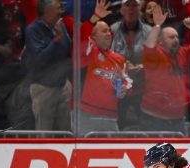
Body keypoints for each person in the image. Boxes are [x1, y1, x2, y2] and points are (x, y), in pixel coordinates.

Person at [140, 6, 190, 133]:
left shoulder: (183, 53)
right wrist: (157, 25)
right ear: (160, 41)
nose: (176, 40)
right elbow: (149, 46)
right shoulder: (155, 54)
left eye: (177, 37)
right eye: (171, 37)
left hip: (179, 120)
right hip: (154, 120)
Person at [78, 0, 132, 136]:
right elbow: (81, 36)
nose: (109, 34)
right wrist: (94, 18)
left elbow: (127, 82)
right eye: (104, 31)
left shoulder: (119, 59)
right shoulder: (90, 53)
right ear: (94, 36)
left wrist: (125, 89)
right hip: (88, 115)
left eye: (109, 31)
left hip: (110, 117)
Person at [24, 0, 72, 131]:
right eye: (58, 8)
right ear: (47, 11)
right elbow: (40, 59)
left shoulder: (60, 26)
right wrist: (56, 40)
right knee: (44, 133)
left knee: (66, 132)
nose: (61, 12)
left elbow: (68, 50)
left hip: (62, 86)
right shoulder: (32, 30)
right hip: (43, 89)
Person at [110, 0, 152, 131]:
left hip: (142, 87)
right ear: (121, 9)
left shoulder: (149, 31)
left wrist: (142, 66)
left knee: (145, 126)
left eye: (134, 5)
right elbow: (106, 56)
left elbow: (157, 58)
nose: (131, 9)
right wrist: (123, 66)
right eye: (127, 5)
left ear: (140, 9)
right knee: (118, 125)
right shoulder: (112, 29)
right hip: (118, 88)